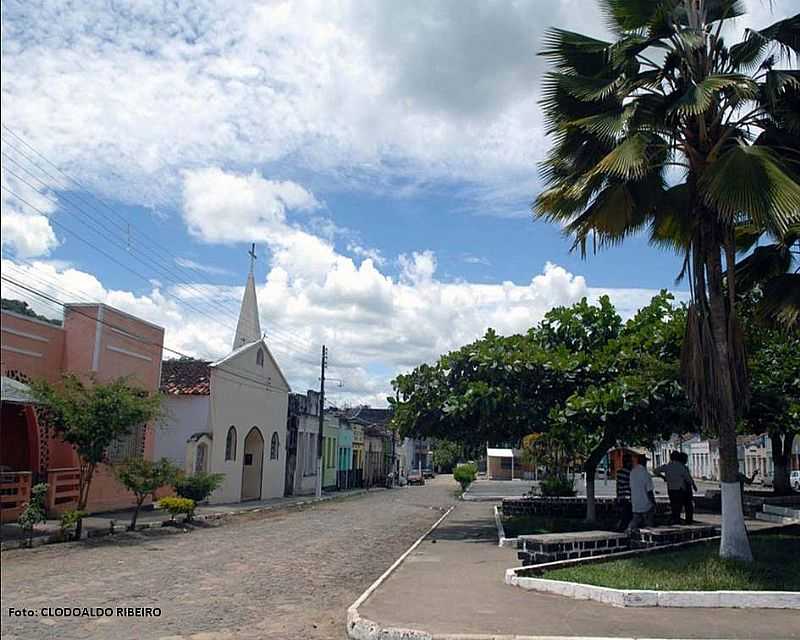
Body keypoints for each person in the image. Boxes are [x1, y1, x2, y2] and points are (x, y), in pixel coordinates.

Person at [655, 451, 692, 524]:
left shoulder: (667, 466)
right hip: (680, 490)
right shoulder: (681, 467)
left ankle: (676, 520)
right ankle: (683, 521)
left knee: (674, 506)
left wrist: (663, 477)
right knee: (681, 506)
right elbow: (688, 479)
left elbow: (655, 471)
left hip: (671, 489)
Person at [627, 454, 655, 532]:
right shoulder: (646, 473)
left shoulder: (632, 472)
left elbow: (631, 487)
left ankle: (629, 532)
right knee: (649, 523)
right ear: (644, 462)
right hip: (646, 503)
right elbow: (649, 491)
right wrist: (653, 502)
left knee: (635, 520)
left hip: (635, 502)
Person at [678, 451, 697, 525]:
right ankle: (688, 520)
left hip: (680, 489)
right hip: (686, 489)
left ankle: (685, 520)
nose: (687, 460)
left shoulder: (679, 467)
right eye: (686, 459)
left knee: (682, 506)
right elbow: (688, 478)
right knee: (689, 506)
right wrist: (693, 485)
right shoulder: (683, 468)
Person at [615, 454, 633, 531]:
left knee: (623, 515)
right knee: (627, 515)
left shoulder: (619, 472)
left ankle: (620, 528)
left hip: (621, 497)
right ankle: (622, 529)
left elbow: (618, 486)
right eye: (630, 462)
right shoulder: (630, 472)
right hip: (627, 497)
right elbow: (631, 485)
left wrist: (618, 496)